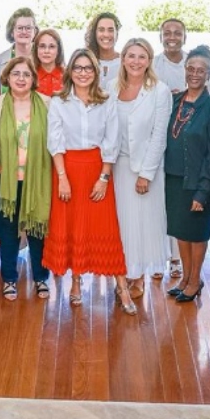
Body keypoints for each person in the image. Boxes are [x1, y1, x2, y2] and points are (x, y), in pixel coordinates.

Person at [43, 48, 133, 314]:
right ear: (70, 71)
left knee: (105, 228)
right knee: (72, 226)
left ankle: (121, 286)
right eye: (78, 68)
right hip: (67, 169)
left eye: (88, 68)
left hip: (97, 168)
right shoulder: (59, 101)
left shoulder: (106, 101)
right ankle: (76, 280)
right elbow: (54, 141)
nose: (83, 73)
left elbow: (112, 141)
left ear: (96, 72)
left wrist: (104, 177)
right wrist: (62, 178)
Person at [0, 57, 52, 301]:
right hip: (5, 181)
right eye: (16, 73)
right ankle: (9, 278)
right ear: (7, 78)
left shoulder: (48, 105)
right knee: (8, 231)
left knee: (37, 229)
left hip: (39, 181)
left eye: (26, 74)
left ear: (33, 79)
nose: (21, 78)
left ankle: (41, 277)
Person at [109, 39, 172, 299]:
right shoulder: (111, 87)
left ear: (149, 61)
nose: (136, 61)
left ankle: (140, 277)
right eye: (131, 56)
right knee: (122, 226)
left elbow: (159, 136)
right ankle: (124, 274)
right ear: (123, 58)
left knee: (144, 226)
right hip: (117, 167)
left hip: (146, 170)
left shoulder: (159, 91)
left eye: (142, 57)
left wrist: (146, 173)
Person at [163, 45, 210, 304]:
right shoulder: (175, 101)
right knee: (180, 230)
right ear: (185, 71)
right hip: (173, 179)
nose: (195, 74)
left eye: (201, 70)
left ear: (209, 74)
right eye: (191, 69)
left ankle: (194, 279)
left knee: (196, 233)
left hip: (197, 182)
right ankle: (186, 277)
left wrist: (203, 190)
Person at [151, 18, 187, 280]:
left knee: (176, 202)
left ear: (185, 37)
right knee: (156, 202)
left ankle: (176, 258)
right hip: (156, 140)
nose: (172, 37)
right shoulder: (153, 65)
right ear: (160, 36)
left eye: (177, 33)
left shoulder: (193, 64)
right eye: (167, 33)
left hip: (182, 145)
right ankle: (156, 257)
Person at [85, 12, 122, 87]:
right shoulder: (85, 61)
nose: (106, 34)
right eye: (101, 30)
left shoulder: (125, 62)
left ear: (117, 34)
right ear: (95, 33)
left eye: (111, 30)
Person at [33, 28, 65, 96]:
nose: (46, 51)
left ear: (58, 50)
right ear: (36, 50)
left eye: (51, 46)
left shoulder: (67, 76)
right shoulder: (30, 76)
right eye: (42, 46)